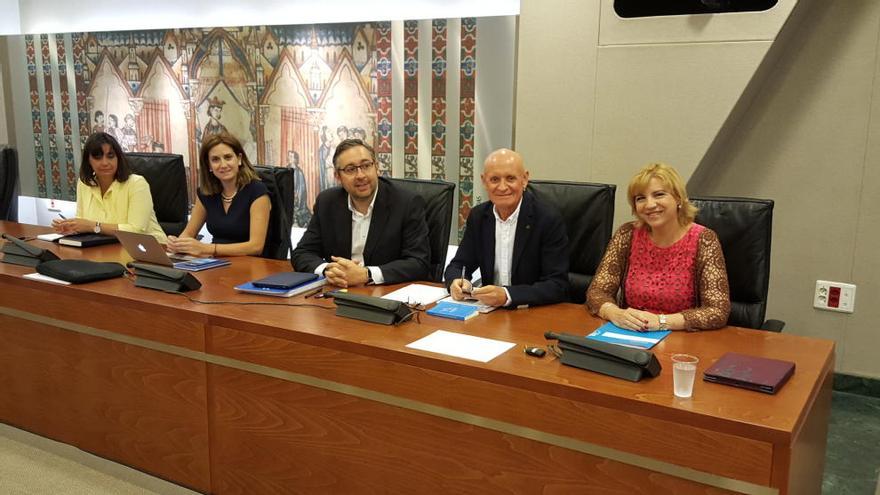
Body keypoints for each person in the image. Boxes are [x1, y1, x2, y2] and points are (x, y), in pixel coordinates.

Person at [586, 162, 730, 331]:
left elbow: (717, 311)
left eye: (659, 194)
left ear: (678, 198)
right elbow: (596, 292)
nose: (650, 204)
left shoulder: (704, 239)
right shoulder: (627, 234)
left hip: (681, 340)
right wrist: (614, 313)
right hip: (631, 333)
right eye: (641, 198)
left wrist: (662, 322)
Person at [291, 138, 430, 287]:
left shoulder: (406, 203)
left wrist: (366, 274)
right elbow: (302, 253)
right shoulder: (328, 202)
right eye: (350, 169)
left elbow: (418, 262)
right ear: (337, 176)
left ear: (377, 167)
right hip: (338, 292)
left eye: (366, 166)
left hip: (385, 294)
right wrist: (328, 270)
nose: (360, 175)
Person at [444, 148, 569, 308]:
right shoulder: (479, 216)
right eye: (494, 179)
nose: (502, 187)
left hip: (532, 313)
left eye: (510, 178)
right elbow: (459, 265)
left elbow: (557, 285)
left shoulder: (548, 218)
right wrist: (457, 282)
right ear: (484, 181)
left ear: (524, 179)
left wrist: (508, 295)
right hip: (488, 313)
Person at [166, 133, 270, 257]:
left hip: (250, 265)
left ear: (239, 159)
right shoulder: (206, 193)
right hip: (214, 264)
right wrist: (177, 243)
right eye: (215, 159)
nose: (223, 165)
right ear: (209, 165)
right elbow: (188, 234)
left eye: (228, 157)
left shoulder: (257, 191)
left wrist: (207, 248)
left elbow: (255, 246)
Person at [51, 132, 166, 243]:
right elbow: (83, 222)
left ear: (118, 158)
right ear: (88, 161)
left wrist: (93, 226)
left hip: (148, 251)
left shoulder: (137, 184)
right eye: (98, 157)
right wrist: (71, 228)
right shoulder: (84, 183)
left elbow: (136, 231)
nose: (105, 162)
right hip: (105, 248)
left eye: (110, 156)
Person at [286, 150, 311, 227]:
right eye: (289, 156)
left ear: (295, 159)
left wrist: (296, 195)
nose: (289, 158)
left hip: (297, 198)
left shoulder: (299, 172)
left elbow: (301, 189)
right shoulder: (286, 170)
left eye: (291, 156)